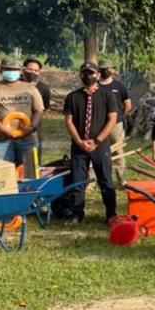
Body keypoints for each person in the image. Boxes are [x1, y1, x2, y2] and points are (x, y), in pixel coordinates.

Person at [62, 63, 118, 225]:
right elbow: (68, 120)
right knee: (78, 181)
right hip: (79, 146)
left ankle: (111, 214)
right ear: (80, 75)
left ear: (98, 75)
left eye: (92, 73)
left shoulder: (107, 95)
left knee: (105, 180)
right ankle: (77, 214)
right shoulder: (73, 97)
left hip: (100, 146)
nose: (88, 76)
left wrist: (97, 140)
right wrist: (79, 141)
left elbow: (112, 120)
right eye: (85, 73)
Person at [0, 57, 44, 177]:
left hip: (27, 139)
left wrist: (31, 128)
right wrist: (3, 129)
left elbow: (39, 111)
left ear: (19, 71)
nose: (11, 72)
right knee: (2, 177)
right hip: (0, 139)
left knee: (29, 175)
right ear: (1, 70)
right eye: (7, 69)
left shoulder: (30, 88)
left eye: (14, 69)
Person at [97, 60, 132, 185]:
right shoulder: (95, 86)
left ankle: (121, 180)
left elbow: (128, 105)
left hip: (116, 125)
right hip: (98, 123)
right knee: (96, 150)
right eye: (103, 69)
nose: (105, 71)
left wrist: (121, 117)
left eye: (108, 68)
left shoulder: (119, 86)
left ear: (112, 70)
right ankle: (93, 181)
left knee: (118, 151)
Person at [22, 57, 52, 160]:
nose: (32, 72)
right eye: (30, 69)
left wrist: (34, 120)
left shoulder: (43, 88)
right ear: (23, 70)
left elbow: (45, 108)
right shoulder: (15, 85)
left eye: (36, 70)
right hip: (14, 125)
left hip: (34, 129)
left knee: (33, 160)